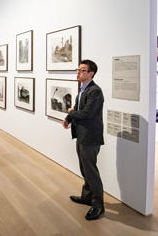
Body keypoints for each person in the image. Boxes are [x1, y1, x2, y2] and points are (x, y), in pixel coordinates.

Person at [63, 59, 105, 221]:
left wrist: (71, 112)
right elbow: (77, 108)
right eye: (78, 70)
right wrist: (69, 117)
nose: (78, 72)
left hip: (90, 137)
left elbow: (86, 113)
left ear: (91, 74)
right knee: (84, 168)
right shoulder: (82, 89)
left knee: (91, 171)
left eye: (82, 70)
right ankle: (87, 197)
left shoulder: (95, 91)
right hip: (81, 135)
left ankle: (98, 205)